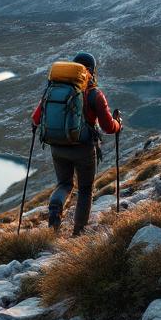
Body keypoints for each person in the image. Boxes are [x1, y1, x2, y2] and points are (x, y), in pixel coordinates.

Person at [31, 52, 122, 236]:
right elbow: (108, 127)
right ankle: (78, 232)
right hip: (83, 149)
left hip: (57, 147)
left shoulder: (54, 90)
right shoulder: (95, 94)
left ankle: (55, 208)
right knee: (85, 189)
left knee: (64, 184)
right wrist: (118, 124)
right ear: (92, 71)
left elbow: (35, 119)